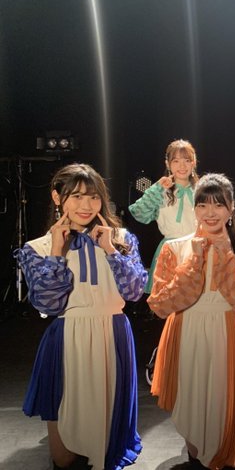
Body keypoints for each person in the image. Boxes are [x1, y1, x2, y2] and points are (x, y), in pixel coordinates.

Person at [16, 163, 147, 470]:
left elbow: (134, 292)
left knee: (106, 440)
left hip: (112, 335)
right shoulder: (38, 247)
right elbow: (47, 303)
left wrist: (111, 251)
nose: (86, 205)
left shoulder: (121, 238)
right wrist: (56, 253)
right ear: (57, 198)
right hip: (67, 340)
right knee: (64, 457)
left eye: (93, 196)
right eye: (76, 196)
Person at [148, 173, 235, 469]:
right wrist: (193, 264)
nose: (210, 213)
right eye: (203, 205)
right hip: (186, 329)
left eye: (218, 205)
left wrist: (225, 260)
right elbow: (160, 305)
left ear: (231, 208)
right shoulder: (175, 248)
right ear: (195, 208)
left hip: (228, 331)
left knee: (224, 402)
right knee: (190, 402)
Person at [128, 139, 198, 295]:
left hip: (197, 250)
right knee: (169, 299)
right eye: (176, 161)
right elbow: (139, 213)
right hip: (170, 251)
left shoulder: (201, 191)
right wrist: (157, 189)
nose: (182, 166)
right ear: (168, 164)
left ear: (193, 163)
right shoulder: (161, 191)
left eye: (187, 160)